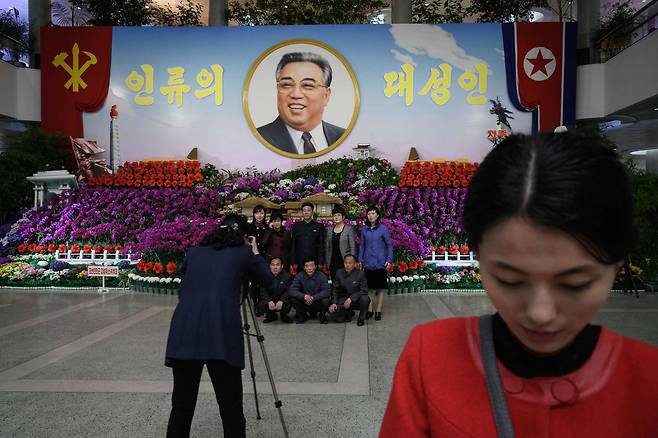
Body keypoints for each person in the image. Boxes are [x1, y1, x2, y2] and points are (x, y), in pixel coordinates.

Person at [380, 133, 658, 437]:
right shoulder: (430, 358)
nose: (540, 313)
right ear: (478, 255)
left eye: (575, 283)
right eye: (510, 280)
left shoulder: (648, 380)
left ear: (617, 265)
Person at [164, 214, 275, 438]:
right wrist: (254, 252)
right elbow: (270, 282)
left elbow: (184, 287)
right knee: (230, 407)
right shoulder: (243, 253)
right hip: (220, 334)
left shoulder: (195, 251)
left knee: (182, 407)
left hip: (185, 332)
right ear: (244, 236)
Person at [257, 52, 345, 155]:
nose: (296, 94)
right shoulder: (258, 138)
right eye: (286, 85)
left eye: (308, 85)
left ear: (326, 95)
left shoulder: (342, 136)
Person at [358, 206, 393, 321]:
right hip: (367, 262)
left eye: (373, 213)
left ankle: (378, 310)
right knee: (367, 288)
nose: (371, 215)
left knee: (380, 288)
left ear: (377, 215)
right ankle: (369, 309)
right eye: (369, 213)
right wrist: (360, 260)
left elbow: (389, 245)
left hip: (380, 263)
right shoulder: (364, 229)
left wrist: (388, 260)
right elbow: (362, 245)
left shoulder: (382, 228)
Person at [329, 254, 370, 326]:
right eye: (345, 263)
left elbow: (364, 290)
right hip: (343, 299)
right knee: (337, 318)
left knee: (366, 299)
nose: (347, 265)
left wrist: (351, 298)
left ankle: (361, 318)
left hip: (356, 299)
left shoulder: (361, 273)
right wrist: (334, 303)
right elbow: (335, 289)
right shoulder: (339, 272)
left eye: (350, 263)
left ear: (355, 264)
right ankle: (348, 313)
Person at [288, 258, 331, 324]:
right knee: (293, 299)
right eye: (307, 266)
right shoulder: (299, 275)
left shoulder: (321, 276)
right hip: (304, 302)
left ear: (315, 267)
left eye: (311, 265)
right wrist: (304, 296)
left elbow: (327, 291)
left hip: (317, 302)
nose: (309, 268)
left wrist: (313, 298)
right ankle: (302, 316)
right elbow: (291, 290)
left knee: (326, 300)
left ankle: (322, 316)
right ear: (304, 268)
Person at [290, 202, 325, 271]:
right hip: (300, 262)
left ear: (312, 212)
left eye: (308, 210)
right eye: (304, 210)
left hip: (314, 262)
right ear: (302, 212)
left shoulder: (319, 226)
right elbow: (293, 245)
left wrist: (321, 262)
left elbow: (321, 245)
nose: (306, 212)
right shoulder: (296, 226)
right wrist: (293, 261)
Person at [325, 206, 357, 280]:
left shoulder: (348, 229)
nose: (336, 217)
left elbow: (353, 247)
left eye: (338, 215)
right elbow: (327, 247)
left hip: (345, 261)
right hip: (332, 262)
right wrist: (327, 262)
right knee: (334, 283)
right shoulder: (329, 230)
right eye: (334, 215)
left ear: (343, 217)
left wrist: (352, 261)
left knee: (346, 283)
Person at [247, 205, 268, 315]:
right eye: (257, 213)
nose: (259, 215)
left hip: (264, 258)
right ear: (254, 214)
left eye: (261, 213)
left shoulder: (267, 228)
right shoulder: (249, 227)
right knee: (254, 283)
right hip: (252, 259)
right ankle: (255, 305)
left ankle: (262, 304)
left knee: (263, 282)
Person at [259, 256, 293, 323]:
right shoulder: (265, 276)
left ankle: (284, 316)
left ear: (282, 266)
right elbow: (262, 290)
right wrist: (269, 301)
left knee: (289, 302)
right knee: (262, 304)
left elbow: (288, 291)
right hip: (271, 300)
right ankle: (271, 316)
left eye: (277, 265)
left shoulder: (287, 276)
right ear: (270, 266)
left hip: (281, 300)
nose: (275, 267)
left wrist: (282, 300)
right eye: (273, 265)